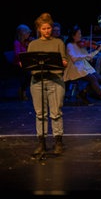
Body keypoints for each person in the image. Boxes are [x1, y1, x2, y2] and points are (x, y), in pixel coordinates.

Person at [26, 12, 68, 157]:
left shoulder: (58, 42)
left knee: (56, 112)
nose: (46, 31)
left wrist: (63, 62)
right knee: (40, 114)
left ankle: (58, 142)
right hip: (37, 80)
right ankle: (41, 143)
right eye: (43, 29)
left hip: (55, 80)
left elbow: (63, 60)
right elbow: (28, 63)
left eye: (49, 28)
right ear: (38, 29)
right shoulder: (33, 44)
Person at [63, 25, 101, 106]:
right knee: (92, 78)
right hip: (74, 68)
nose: (80, 36)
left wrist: (98, 50)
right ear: (73, 35)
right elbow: (74, 58)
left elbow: (89, 57)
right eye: (79, 34)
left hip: (83, 66)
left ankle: (83, 93)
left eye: (80, 34)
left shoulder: (80, 44)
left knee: (99, 78)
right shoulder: (69, 45)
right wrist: (86, 56)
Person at [13, 24, 33, 101]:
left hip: (26, 63)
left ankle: (23, 90)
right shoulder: (17, 42)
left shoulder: (26, 42)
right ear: (22, 33)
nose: (28, 35)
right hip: (18, 64)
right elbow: (17, 54)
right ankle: (22, 90)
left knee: (31, 74)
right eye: (27, 33)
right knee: (27, 75)